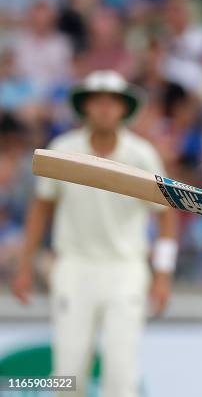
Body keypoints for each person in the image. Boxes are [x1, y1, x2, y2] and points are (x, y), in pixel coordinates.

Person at [11, 70, 177, 397]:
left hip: (125, 268)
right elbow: (41, 209)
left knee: (121, 373)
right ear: (85, 107)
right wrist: (24, 267)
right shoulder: (63, 149)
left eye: (111, 102)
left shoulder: (141, 154)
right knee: (69, 371)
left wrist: (163, 274)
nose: (104, 109)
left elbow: (166, 218)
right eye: (97, 101)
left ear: (123, 108)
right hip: (74, 266)